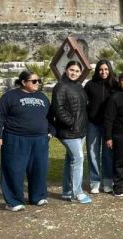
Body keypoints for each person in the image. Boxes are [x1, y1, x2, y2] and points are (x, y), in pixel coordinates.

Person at [0, 71, 51, 211]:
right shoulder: (10, 96)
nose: (37, 83)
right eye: (34, 81)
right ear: (24, 82)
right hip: (15, 138)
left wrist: (51, 132)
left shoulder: (42, 97)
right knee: (14, 169)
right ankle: (14, 201)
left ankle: (37, 197)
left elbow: (50, 116)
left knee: (39, 169)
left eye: (39, 81)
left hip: (40, 139)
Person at [50, 61, 91, 203]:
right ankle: (77, 192)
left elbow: (83, 107)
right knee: (78, 158)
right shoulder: (60, 87)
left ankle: (67, 191)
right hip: (68, 131)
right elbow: (58, 109)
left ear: (80, 73)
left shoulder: (79, 86)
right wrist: (72, 123)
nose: (74, 73)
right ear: (66, 70)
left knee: (70, 160)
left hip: (80, 130)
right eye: (71, 70)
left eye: (77, 71)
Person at [84, 59, 117, 194]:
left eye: (106, 69)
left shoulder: (114, 85)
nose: (104, 72)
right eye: (101, 69)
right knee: (93, 153)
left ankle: (108, 181)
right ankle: (95, 181)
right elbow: (83, 102)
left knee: (108, 154)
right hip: (93, 124)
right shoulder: (90, 85)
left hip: (109, 125)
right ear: (97, 71)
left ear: (110, 70)